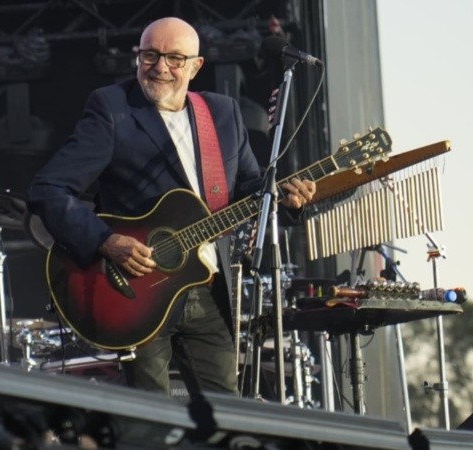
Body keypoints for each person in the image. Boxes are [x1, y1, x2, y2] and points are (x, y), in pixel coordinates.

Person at [27, 17, 315, 396]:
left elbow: (248, 189)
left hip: (207, 287)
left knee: (228, 416)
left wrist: (289, 202)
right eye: (151, 55)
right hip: (135, 291)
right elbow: (49, 188)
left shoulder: (223, 114)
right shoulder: (112, 107)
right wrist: (106, 241)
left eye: (175, 58)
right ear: (137, 57)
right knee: (151, 422)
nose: (160, 67)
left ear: (196, 66)